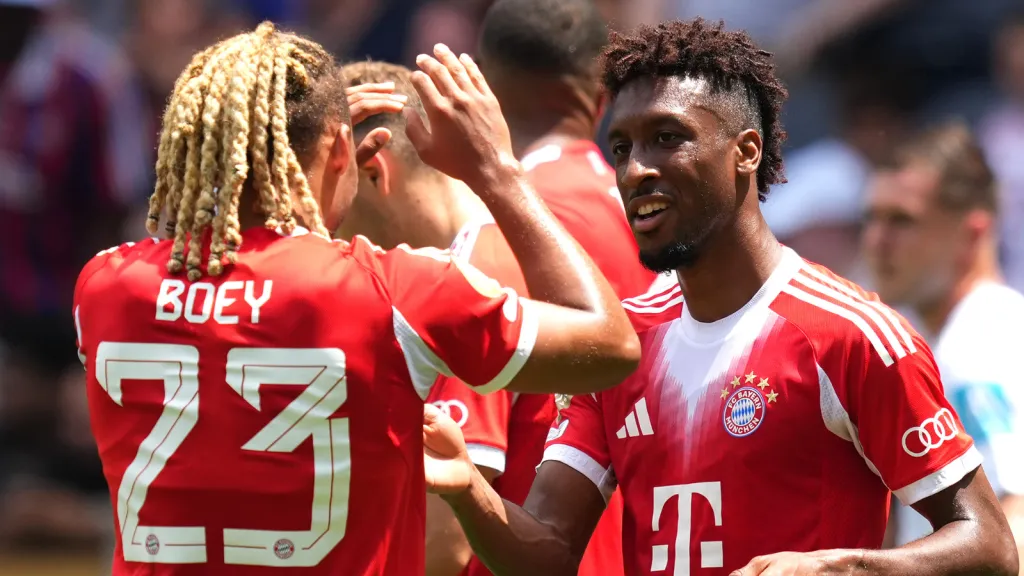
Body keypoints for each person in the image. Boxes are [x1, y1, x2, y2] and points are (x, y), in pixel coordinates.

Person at [422, 19, 1020, 576]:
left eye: (667, 138)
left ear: (746, 151)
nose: (635, 171)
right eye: (624, 148)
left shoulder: (852, 335)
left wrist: (841, 567)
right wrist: (467, 489)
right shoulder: (623, 349)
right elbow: (549, 552)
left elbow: (991, 547)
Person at [72, 24, 640, 575]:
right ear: (345, 148)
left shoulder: (103, 287)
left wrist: (305, 149)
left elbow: (218, 288)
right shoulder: (394, 291)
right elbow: (610, 344)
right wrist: (497, 171)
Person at [337, 60, 559, 576]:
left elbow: (446, 544)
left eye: (323, 184)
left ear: (372, 172)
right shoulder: (482, 250)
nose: (317, 219)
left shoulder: (475, 274)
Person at [478, 2, 668, 571]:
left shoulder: (501, 218)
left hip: (525, 549)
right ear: (601, 91)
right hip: (637, 546)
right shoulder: (663, 207)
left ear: (486, 85)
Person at [863, 122, 1024, 560]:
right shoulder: (937, 335)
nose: (876, 240)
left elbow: (1017, 519)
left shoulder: (981, 341)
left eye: (902, 221)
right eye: (872, 217)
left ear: (971, 234)